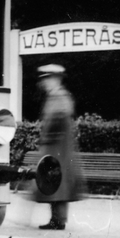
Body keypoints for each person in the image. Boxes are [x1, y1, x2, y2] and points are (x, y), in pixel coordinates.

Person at [34, 63, 85, 229]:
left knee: (58, 184)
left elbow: (58, 118)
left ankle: (58, 220)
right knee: (55, 184)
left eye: (47, 79)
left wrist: (47, 136)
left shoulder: (59, 97)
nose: (44, 83)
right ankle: (56, 219)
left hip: (58, 149)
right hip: (57, 149)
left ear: (55, 79)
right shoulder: (57, 96)